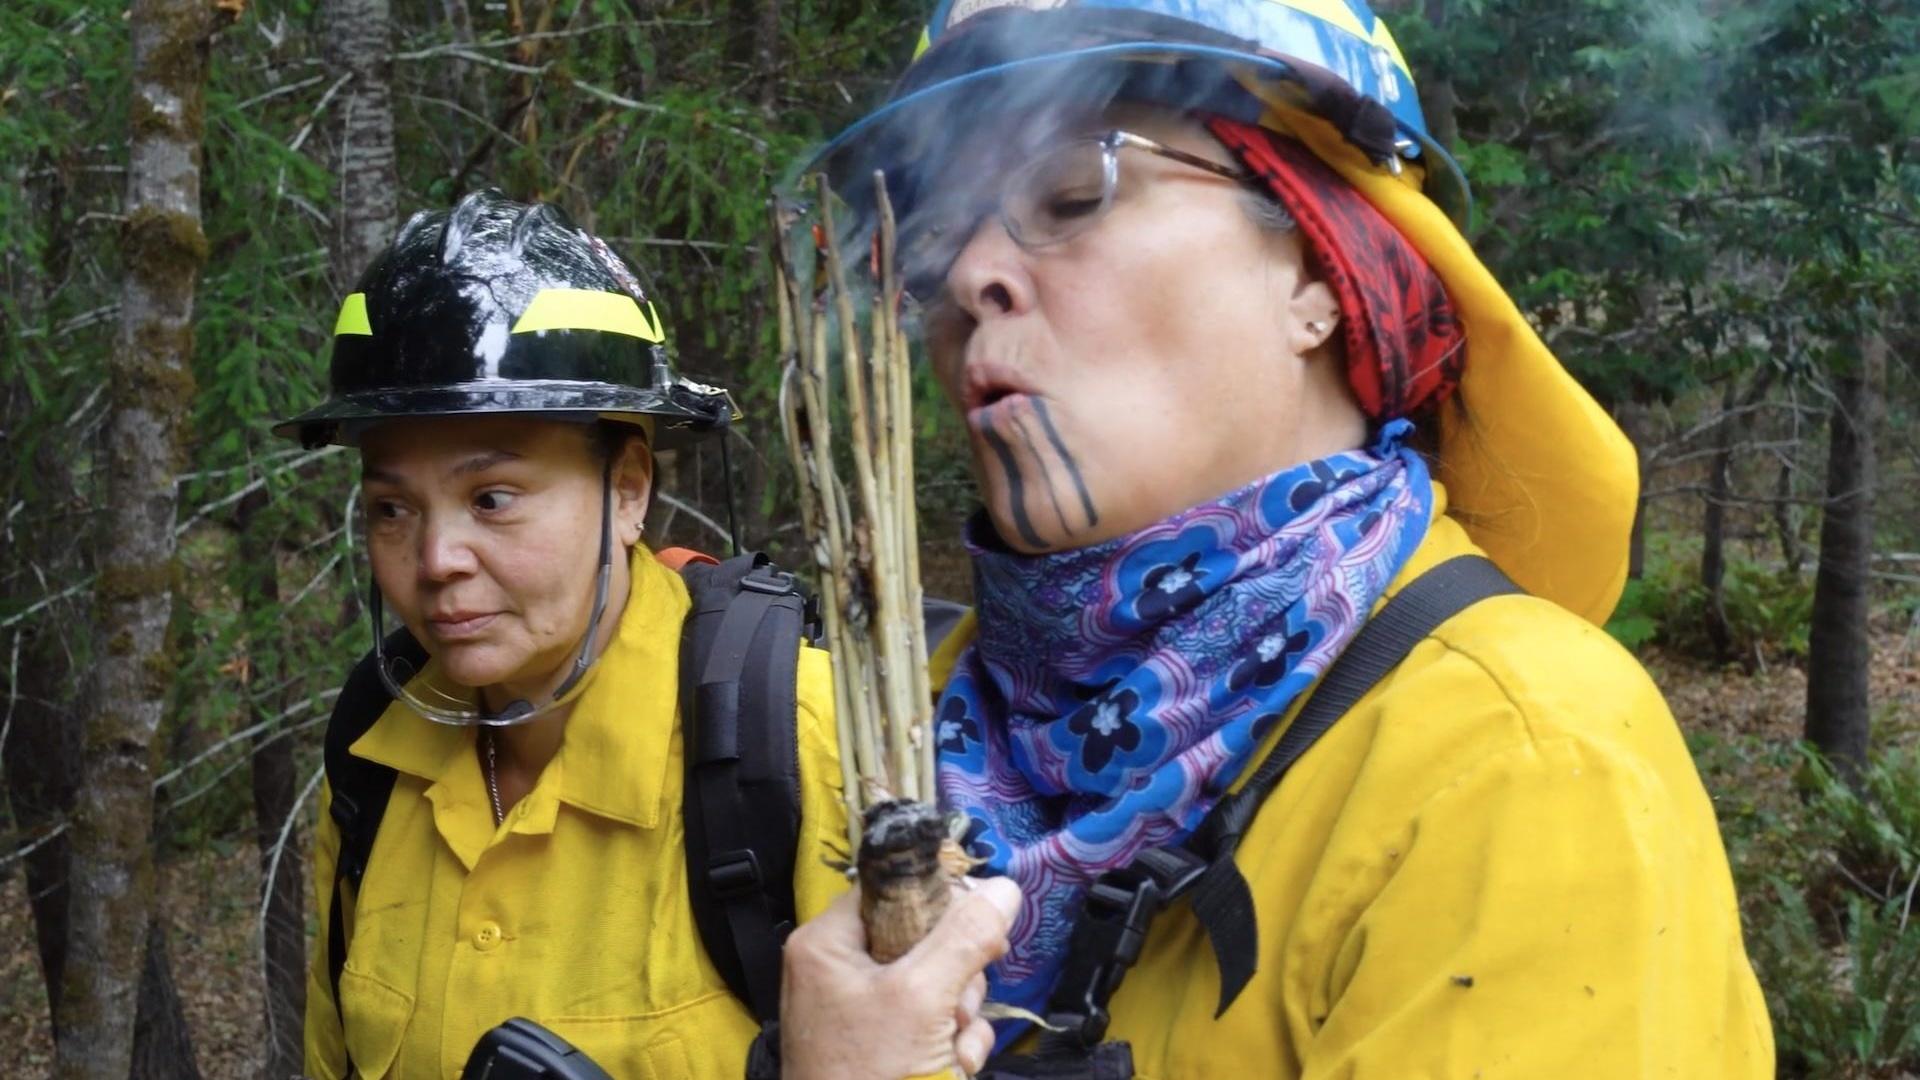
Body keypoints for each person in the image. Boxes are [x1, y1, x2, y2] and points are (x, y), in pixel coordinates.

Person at [779, 1, 1774, 1077]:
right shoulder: (905, 736)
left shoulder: (1517, 758)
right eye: (936, 242)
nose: (972, 278)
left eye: (1071, 194)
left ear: (1320, 270)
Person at [279, 190, 850, 1079]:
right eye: (392, 508)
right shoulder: (372, 760)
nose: (435, 560)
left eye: (491, 498)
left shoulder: (797, 746)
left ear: (628, 490)